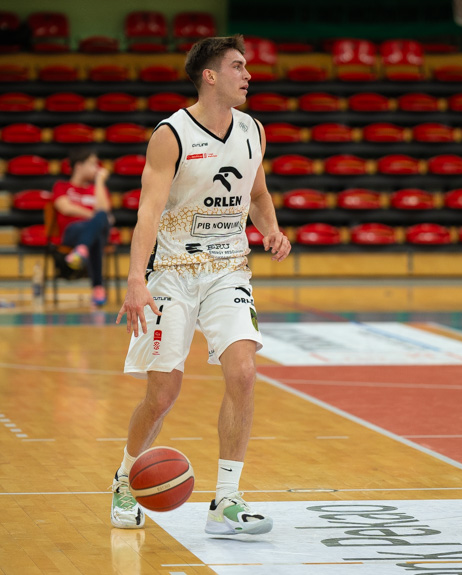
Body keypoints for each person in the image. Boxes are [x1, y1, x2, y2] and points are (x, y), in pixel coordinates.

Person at [112, 35, 290, 535]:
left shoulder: (253, 129)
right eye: (238, 67)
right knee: (163, 392)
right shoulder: (171, 135)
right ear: (210, 75)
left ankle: (226, 500)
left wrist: (270, 228)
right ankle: (126, 481)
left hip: (229, 269)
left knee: (244, 371)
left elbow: (257, 192)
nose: (248, 75)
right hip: (171, 272)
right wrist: (134, 279)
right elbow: (147, 212)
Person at [51, 147, 112, 307]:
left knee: (100, 221)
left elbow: (104, 210)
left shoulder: (97, 189)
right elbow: (65, 207)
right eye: (92, 164)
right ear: (79, 166)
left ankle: (82, 249)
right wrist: (93, 216)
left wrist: (99, 181)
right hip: (71, 232)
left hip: (91, 234)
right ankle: (98, 288)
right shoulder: (62, 186)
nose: (97, 169)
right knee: (96, 230)